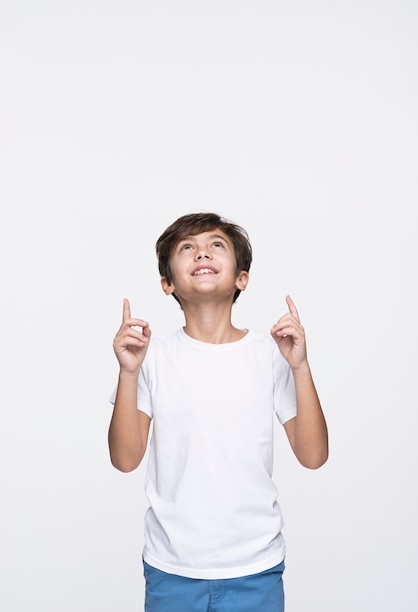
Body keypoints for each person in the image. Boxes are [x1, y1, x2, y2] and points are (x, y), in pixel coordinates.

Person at [108, 212, 328, 612]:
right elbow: (125, 460)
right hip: (171, 570)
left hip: (255, 568)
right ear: (168, 283)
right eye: (187, 248)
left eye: (216, 245)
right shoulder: (150, 357)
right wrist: (127, 372)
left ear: (241, 278)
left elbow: (313, 456)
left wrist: (300, 367)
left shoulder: (269, 355)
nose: (202, 252)